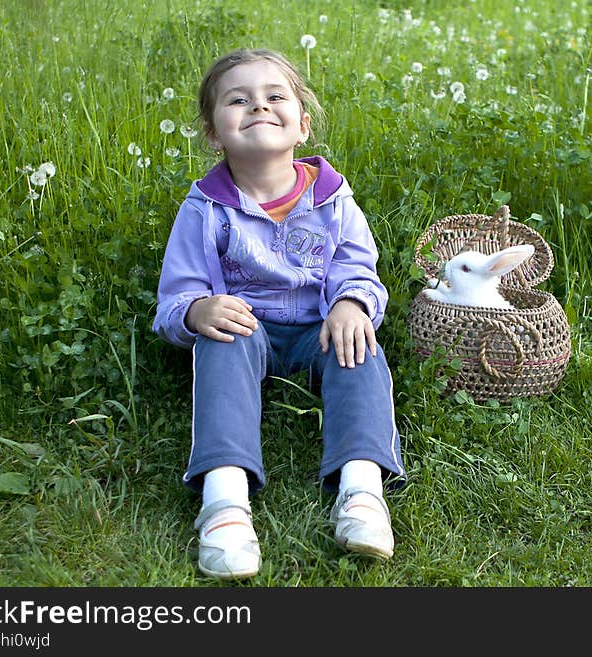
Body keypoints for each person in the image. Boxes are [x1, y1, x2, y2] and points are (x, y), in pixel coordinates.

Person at [152, 48, 405, 579]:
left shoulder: (334, 200)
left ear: (302, 125)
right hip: (248, 329)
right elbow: (176, 295)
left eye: (275, 97)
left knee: (360, 348)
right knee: (222, 342)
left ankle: (361, 490)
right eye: (238, 100)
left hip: (320, 325)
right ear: (214, 133)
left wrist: (352, 303)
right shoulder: (204, 209)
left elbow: (358, 266)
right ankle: (225, 503)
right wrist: (199, 310)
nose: (259, 107)